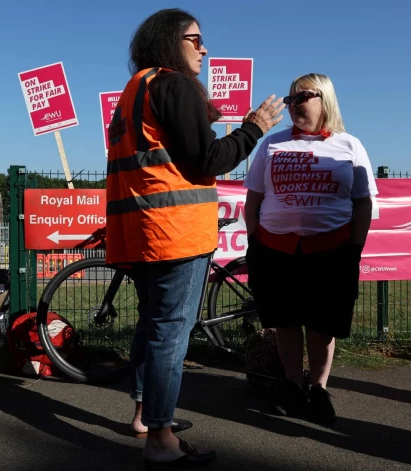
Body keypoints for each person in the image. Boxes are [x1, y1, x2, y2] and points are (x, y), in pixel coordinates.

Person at [105, 8, 284, 468]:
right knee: (171, 332)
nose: (204, 48)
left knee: (152, 323)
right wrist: (254, 129)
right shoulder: (174, 84)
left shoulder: (134, 89)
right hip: (176, 234)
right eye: (195, 39)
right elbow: (208, 159)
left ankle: (147, 415)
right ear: (170, 41)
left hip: (141, 231)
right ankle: (161, 439)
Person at [243, 73, 377, 425]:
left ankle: (317, 388)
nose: (294, 104)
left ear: (325, 99)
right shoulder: (271, 145)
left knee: (322, 327)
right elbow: (253, 199)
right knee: (285, 324)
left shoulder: (350, 145)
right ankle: (291, 385)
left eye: (303, 96)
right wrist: (255, 240)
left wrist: (355, 247)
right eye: (290, 99)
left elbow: (363, 203)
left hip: (331, 253)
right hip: (274, 251)